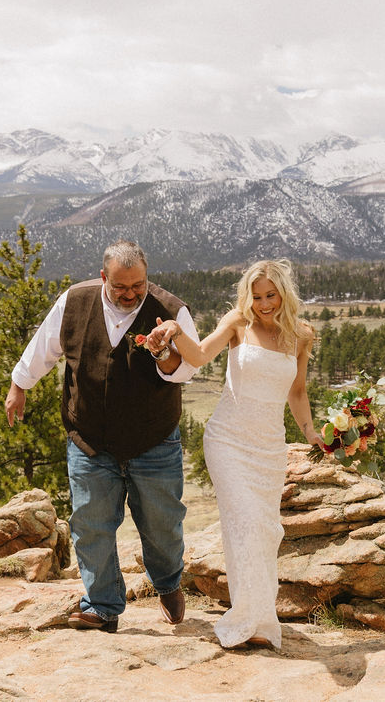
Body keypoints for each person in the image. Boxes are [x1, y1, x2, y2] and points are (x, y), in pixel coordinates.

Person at [5, 240, 200, 633]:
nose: (130, 294)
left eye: (138, 286)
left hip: (153, 440)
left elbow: (186, 372)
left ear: (147, 277)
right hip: (89, 437)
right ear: (103, 277)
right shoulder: (75, 301)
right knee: (91, 523)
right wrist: (18, 385)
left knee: (162, 526)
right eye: (120, 287)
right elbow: (44, 346)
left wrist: (162, 352)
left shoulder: (172, 310)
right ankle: (102, 605)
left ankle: (167, 583)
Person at [145, 259, 323, 650]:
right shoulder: (237, 323)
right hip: (228, 440)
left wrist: (310, 431)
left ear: (283, 293)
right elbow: (199, 356)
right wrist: (174, 331)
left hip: (269, 447)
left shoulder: (301, 335)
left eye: (270, 295)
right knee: (244, 523)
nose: (263, 304)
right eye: (256, 296)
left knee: (265, 532)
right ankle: (243, 620)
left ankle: (260, 619)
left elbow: (296, 392)